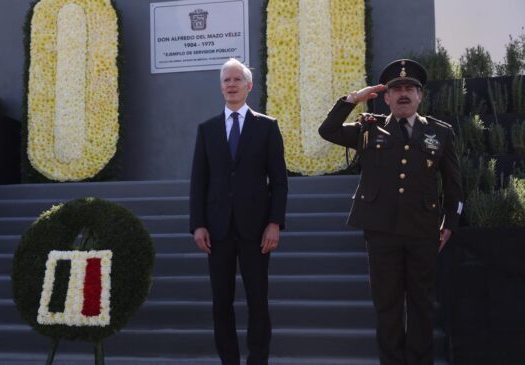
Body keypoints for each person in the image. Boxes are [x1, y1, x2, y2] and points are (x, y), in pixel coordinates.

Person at [318, 59, 463, 365]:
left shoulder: (440, 132)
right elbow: (327, 130)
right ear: (386, 97)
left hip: (424, 231)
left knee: (421, 303)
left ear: (420, 96)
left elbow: (454, 184)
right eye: (396, 89)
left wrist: (450, 221)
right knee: (387, 305)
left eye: (410, 88)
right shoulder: (369, 129)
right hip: (381, 231)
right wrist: (354, 99)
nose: (403, 94)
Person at [189, 58, 288, 365]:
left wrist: (274, 223)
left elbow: (280, 182)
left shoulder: (267, 127)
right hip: (217, 231)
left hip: (256, 231)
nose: (231, 84)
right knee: (222, 303)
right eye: (226, 80)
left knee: (258, 301)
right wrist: (198, 225)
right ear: (221, 87)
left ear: (249, 85)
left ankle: (257, 360)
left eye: (236, 79)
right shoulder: (207, 130)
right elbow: (198, 182)